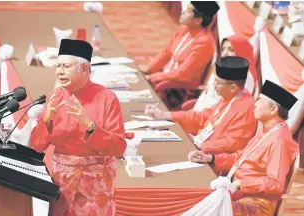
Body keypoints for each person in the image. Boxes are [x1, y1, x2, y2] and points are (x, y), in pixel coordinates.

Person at [30, 39, 126, 216]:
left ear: (84, 69)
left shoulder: (106, 98)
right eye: (58, 66)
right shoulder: (54, 97)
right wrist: (47, 121)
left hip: (96, 186)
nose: (60, 72)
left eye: (66, 66)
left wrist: (89, 126)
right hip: (63, 183)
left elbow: (119, 147)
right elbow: (37, 145)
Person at [188, 80, 299, 216]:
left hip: (257, 202)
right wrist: (211, 158)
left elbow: (275, 184)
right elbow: (241, 157)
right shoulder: (267, 129)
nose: (255, 105)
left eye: (259, 100)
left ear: (273, 109)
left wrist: (241, 184)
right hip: (237, 189)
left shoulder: (279, 140)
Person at [145, 56, 257, 154]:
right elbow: (201, 117)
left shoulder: (247, 108)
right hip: (199, 146)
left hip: (211, 158)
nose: (213, 85)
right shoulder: (227, 99)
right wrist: (165, 115)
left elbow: (234, 144)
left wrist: (201, 144)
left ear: (233, 87)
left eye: (218, 82)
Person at [144, 1, 220, 109]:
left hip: (180, 89)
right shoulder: (183, 29)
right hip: (164, 78)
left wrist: (153, 77)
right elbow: (165, 53)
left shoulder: (204, 43)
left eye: (188, 11)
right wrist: (147, 71)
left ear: (198, 20)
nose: (183, 12)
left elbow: (182, 74)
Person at [183, 35, 259, 112]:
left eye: (231, 50)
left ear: (241, 52)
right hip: (199, 112)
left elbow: (231, 106)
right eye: (223, 49)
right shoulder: (220, 69)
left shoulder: (246, 77)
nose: (225, 53)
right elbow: (208, 94)